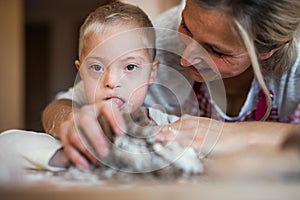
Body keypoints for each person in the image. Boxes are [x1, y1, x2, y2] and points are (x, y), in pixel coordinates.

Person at [42, 0, 300, 169]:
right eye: (186, 27)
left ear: (269, 50)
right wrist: (73, 123)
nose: (185, 58)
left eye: (215, 51)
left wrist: (234, 135)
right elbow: (63, 104)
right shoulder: (155, 40)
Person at [0, 1, 179, 171]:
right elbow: (6, 143)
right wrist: (66, 156)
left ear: (152, 73)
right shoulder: (77, 131)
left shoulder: (166, 126)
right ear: (81, 73)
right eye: (97, 67)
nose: (112, 81)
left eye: (130, 67)